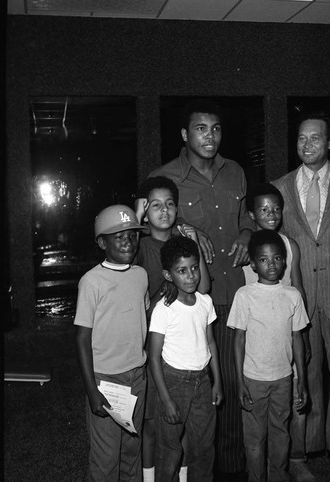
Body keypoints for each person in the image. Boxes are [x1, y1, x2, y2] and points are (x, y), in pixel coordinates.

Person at [145, 98, 253, 479]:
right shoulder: (164, 176)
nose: (210, 136)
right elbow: (149, 228)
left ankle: (230, 469)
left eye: (216, 128)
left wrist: (245, 231)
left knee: (229, 385)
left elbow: (247, 219)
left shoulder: (236, 171)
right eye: (200, 128)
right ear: (184, 134)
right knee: (190, 394)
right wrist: (182, 229)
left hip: (234, 293)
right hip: (189, 302)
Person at [272, 111, 330, 473]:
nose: (306, 145)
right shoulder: (279, 187)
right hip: (299, 296)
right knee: (305, 371)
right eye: (301, 138)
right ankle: (309, 442)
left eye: (314, 138)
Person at [135, 175, 210, 482]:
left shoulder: (185, 244)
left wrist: (196, 244)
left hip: (186, 350)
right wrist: (135, 215)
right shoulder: (139, 245)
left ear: (177, 209)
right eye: (154, 205)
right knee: (154, 421)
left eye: (169, 204)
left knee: (185, 423)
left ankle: (181, 476)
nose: (163, 211)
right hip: (155, 345)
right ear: (145, 209)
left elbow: (203, 288)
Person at [244, 183, 314, 481]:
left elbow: (298, 288)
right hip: (260, 342)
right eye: (263, 210)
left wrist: (304, 335)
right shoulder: (247, 248)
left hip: (289, 331)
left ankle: (294, 461)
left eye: (276, 209)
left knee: (295, 401)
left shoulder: (289, 245)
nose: (271, 215)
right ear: (251, 215)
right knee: (261, 415)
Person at [228, 229, 309, 482]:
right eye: (263, 259)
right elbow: (238, 339)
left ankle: (279, 476)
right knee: (254, 439)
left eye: (276, 258)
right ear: (253, 264)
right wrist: (240, 381)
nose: (271, 264)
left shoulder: (292, 296)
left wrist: (301, 381)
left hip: (283, 379)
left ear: (285, 261)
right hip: (253, 379)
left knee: (280, 433)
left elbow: (298, 339)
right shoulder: (244, 295)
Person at [74, 204, 148, 481]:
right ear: (102, 242)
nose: (128, 241)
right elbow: (82, 338)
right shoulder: (92, 281)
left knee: (132, 450)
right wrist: (92, 389)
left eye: (132, 235)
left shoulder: (140, 275)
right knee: (106, 458)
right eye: (119, 236)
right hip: (106, 380)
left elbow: (139, 316)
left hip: (138, 377)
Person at [149, 235, 223, 481]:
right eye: (182, 271)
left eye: (194, 268)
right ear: (169, 275)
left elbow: (211, 342)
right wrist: (166, 399)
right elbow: (153, 356)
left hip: (203, 382)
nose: (191, 276)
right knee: (169, 449)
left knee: (204, 447)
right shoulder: (164, 308)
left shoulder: (205, 302)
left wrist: (217, 383)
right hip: (174, 382)